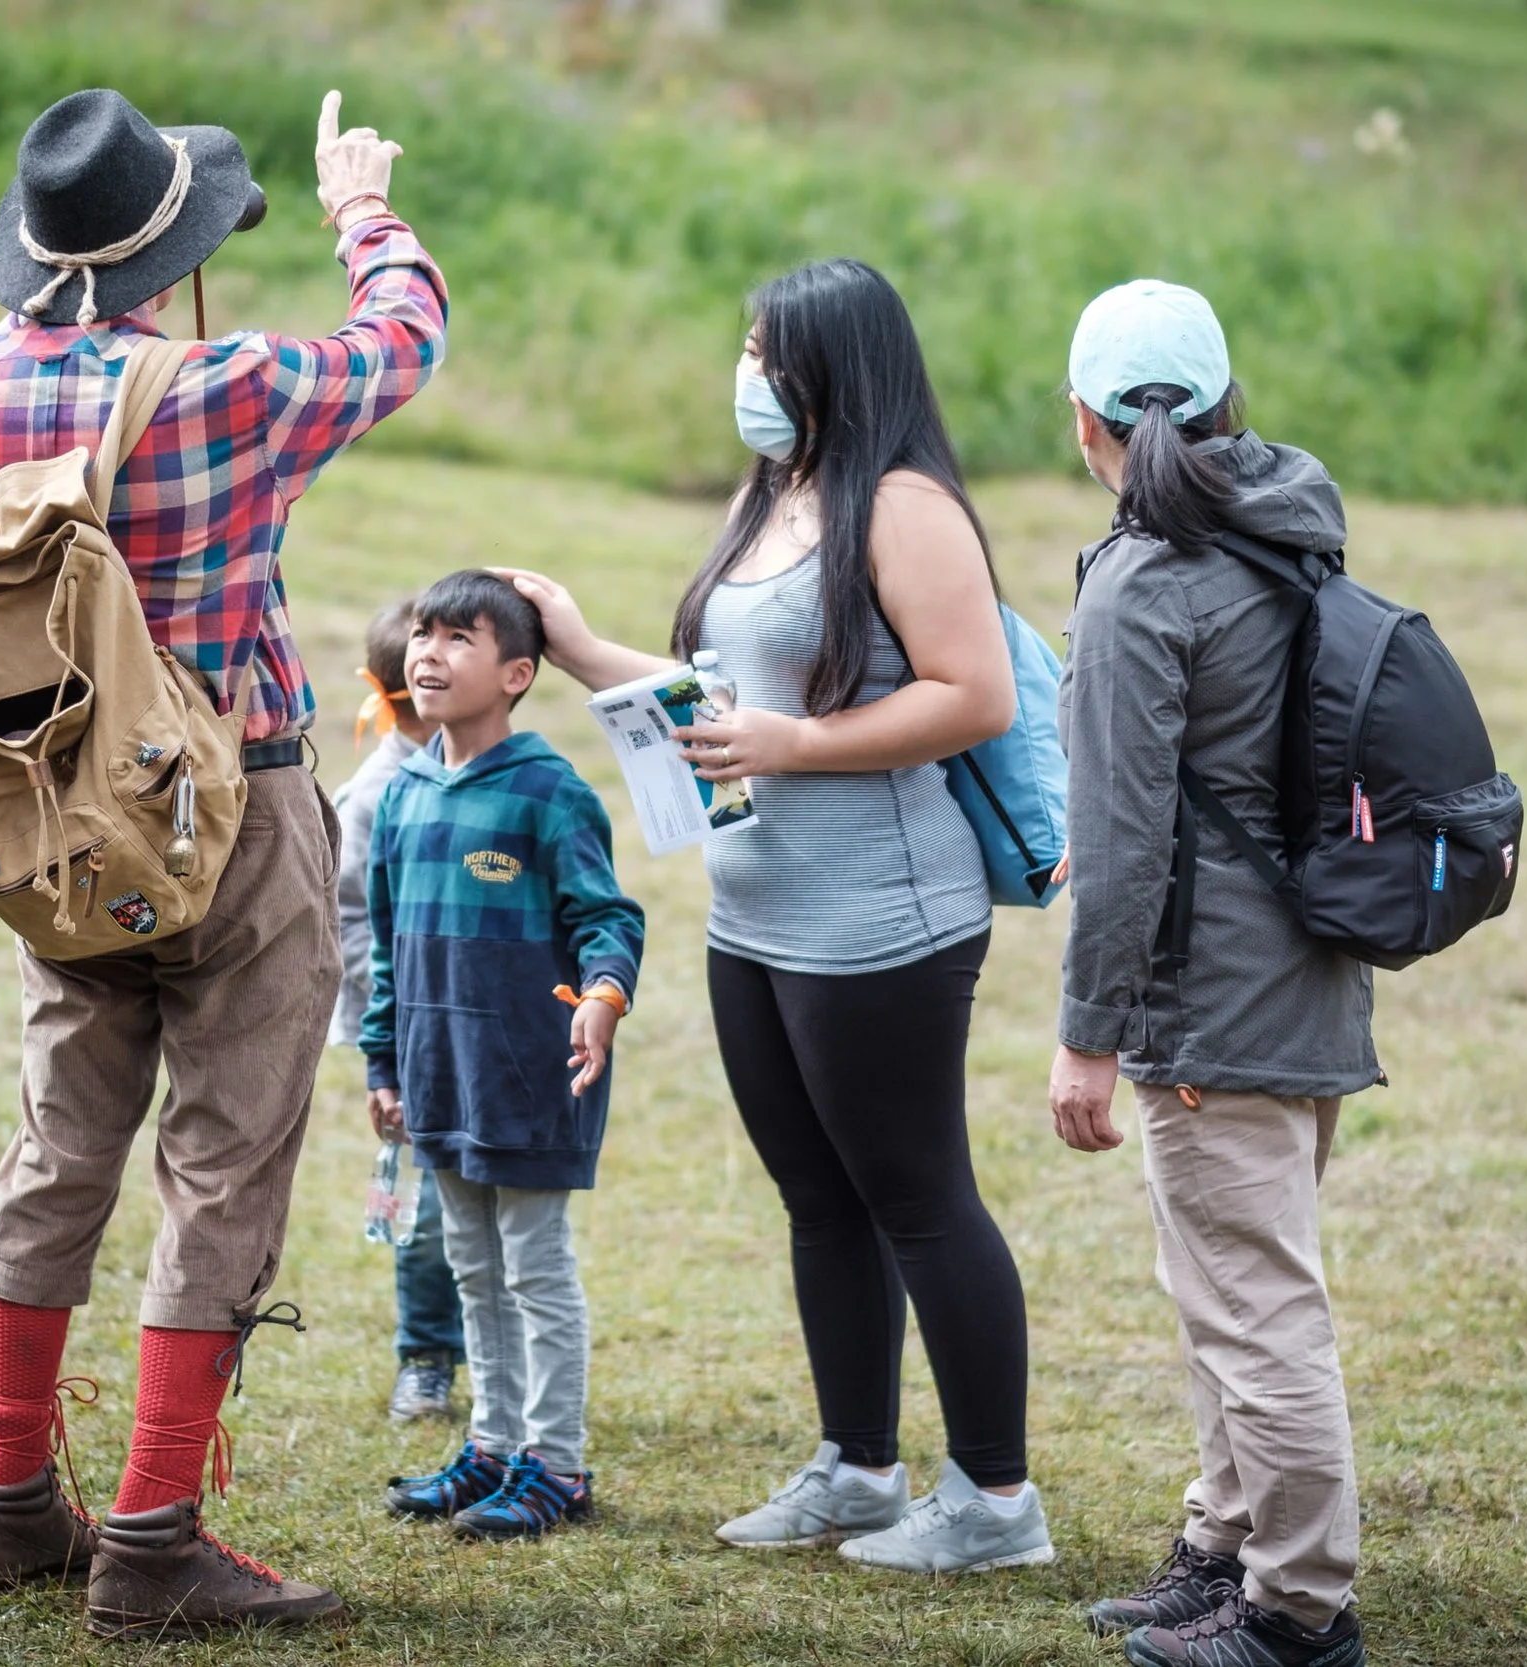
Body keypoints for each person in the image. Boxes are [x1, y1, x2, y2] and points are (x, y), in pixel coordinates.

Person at [0, 86, 445, 1638]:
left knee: (58, 1140)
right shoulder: (233, 387)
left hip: (58, 825)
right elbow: (405, 337)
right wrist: (362, 208)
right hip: (237, 813)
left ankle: (12, 1500)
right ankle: (151, 1537)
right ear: (171, 255)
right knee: (222, 1162)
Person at [501, 258, 1051, 1574]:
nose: (747, 368)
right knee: (819, 1195)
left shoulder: (905, 505)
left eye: (766, 348)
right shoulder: (776, 488)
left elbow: (973, 694)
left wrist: (797, 743)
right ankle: (858, 1467)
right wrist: (582, 649)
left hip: (882, 913)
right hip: (754, 907)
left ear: (831, 363)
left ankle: (997, 1499)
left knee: (918, 1194)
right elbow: (729, 695)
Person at [1045, 279, 1374, 1667]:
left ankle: (1298, 1610)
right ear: (1230, 405)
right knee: (1227, 1289)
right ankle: (1226, 1545)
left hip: (1211, 998)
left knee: (1255, 1308)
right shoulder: (1292, 531)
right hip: (1310, 968)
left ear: (1084, 421)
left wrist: (1087, 1031)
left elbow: (1123, 839)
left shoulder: (1143, 583)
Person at [364, 572, 645, 1540]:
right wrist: (384, 1063)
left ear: (517, 673)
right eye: (422, 633)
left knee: (532, 1269)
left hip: (529, 1073)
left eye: (459, 638)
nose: (429, 653)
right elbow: (387, 947)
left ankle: (556, 1465)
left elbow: (608, 916)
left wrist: (604, 994)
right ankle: (493, 1448)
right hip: (439, 1072)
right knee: (472, 1268)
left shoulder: (548, 791)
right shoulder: (402, 793)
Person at [329, 597, 470, 1424]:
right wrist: (400, 1004)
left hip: (485, 1025)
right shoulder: (375, 796)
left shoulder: (489, 773)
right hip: (412, 1031)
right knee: (427, 1206)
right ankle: (426, 1356)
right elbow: (346, 917)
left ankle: (493, 1346)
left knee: (488, 1193)